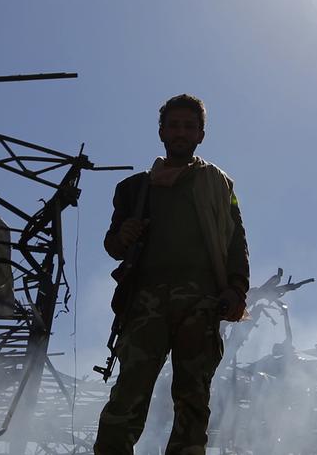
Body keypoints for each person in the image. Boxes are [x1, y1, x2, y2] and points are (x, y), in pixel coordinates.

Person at [93, 94, 250, 455]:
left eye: (189, 126)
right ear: (161, 132)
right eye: (174, 125)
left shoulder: (221, 185)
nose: (181, 132)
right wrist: (123, 236)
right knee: (129, 392)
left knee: (193, 397)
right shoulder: (133, 189)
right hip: (145, 301)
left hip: (201, 302)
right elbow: (112, 245)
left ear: (200, 135)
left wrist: (236, 289)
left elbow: (235, 240)